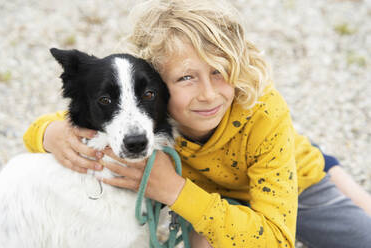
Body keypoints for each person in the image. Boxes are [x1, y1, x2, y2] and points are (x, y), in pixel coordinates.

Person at [23, 0, 371, 247]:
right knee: (209, 238)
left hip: (290, 178)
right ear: (154, 83)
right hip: (210, 196)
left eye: (220, 72)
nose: (208, 94)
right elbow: (61, 121)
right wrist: (50, 134)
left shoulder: (264, 110)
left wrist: (172, 189)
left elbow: (275, 241)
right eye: (187, 77)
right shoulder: (144, 108)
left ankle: (328, 166)